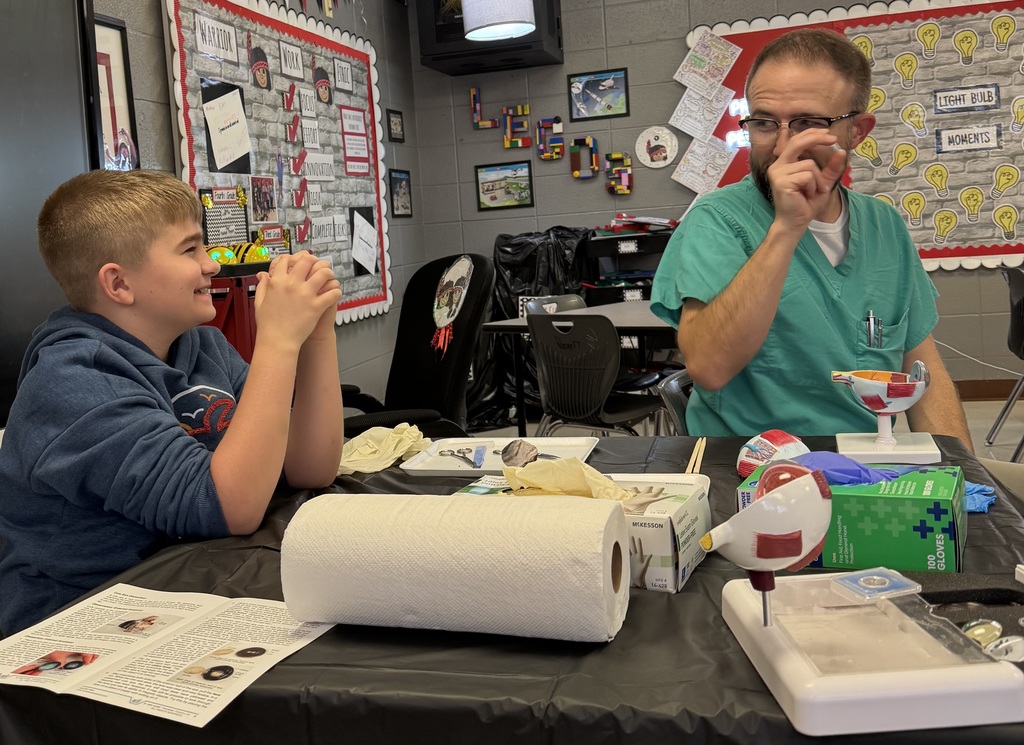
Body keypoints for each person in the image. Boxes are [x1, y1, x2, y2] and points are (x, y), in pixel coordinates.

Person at [0, 170, 344, 637]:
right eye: (190, 250)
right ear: (119, 284)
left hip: (191, 580)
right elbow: (230, 506)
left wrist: (317, 334)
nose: (211, 265)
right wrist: (279, 341)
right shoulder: (72, 381)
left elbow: (308, 468)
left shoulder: (202, 347)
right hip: (81, 623)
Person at [651, 28, 973, 450]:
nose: (782, 147)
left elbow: (923, 373)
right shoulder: (717, 221)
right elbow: (709, 368)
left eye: (808, 123)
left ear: (857, 131)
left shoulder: (884, 226)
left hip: (864, 460)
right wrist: (787, 229)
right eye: (764, 123)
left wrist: (964, 472)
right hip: (752, 465)